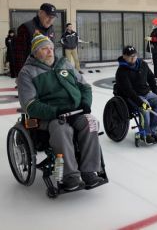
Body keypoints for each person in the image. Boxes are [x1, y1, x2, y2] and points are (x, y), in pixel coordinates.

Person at [17, 33, 104, 191]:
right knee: (61, 129)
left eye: (51, 48)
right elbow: (29, 104)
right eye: (44, 49)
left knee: (91, 123)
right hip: (50, 116)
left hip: (75, 111)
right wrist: (55, 111)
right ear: (35, 52)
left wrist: (85, 103)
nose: (50, 51)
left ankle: (89, 171)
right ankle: (69, 175)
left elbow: (85, 86)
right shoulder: (27, 72)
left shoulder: (64, 63)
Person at [114, 45, 157, 144]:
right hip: (132, 96)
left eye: (134, 55)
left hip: (146, 93)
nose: (133, 57)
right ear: (124, 56)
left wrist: (156, 93)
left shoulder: (142, 64)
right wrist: (140, 102)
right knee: (145, 107)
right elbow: (128, 90)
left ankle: (153, 131)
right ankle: (145, 134)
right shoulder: (121, 71)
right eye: (130, 56)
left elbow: (151, 79)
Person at [15, 3, 57, 77]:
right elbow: (19, 54)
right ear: (40, 13)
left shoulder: (51, 29)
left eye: (53, 17)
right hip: (31, 72)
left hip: (47, 71)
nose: (50, 20)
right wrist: (20, 75)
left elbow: (53, 50)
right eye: (48, 16)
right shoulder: (26, 27)